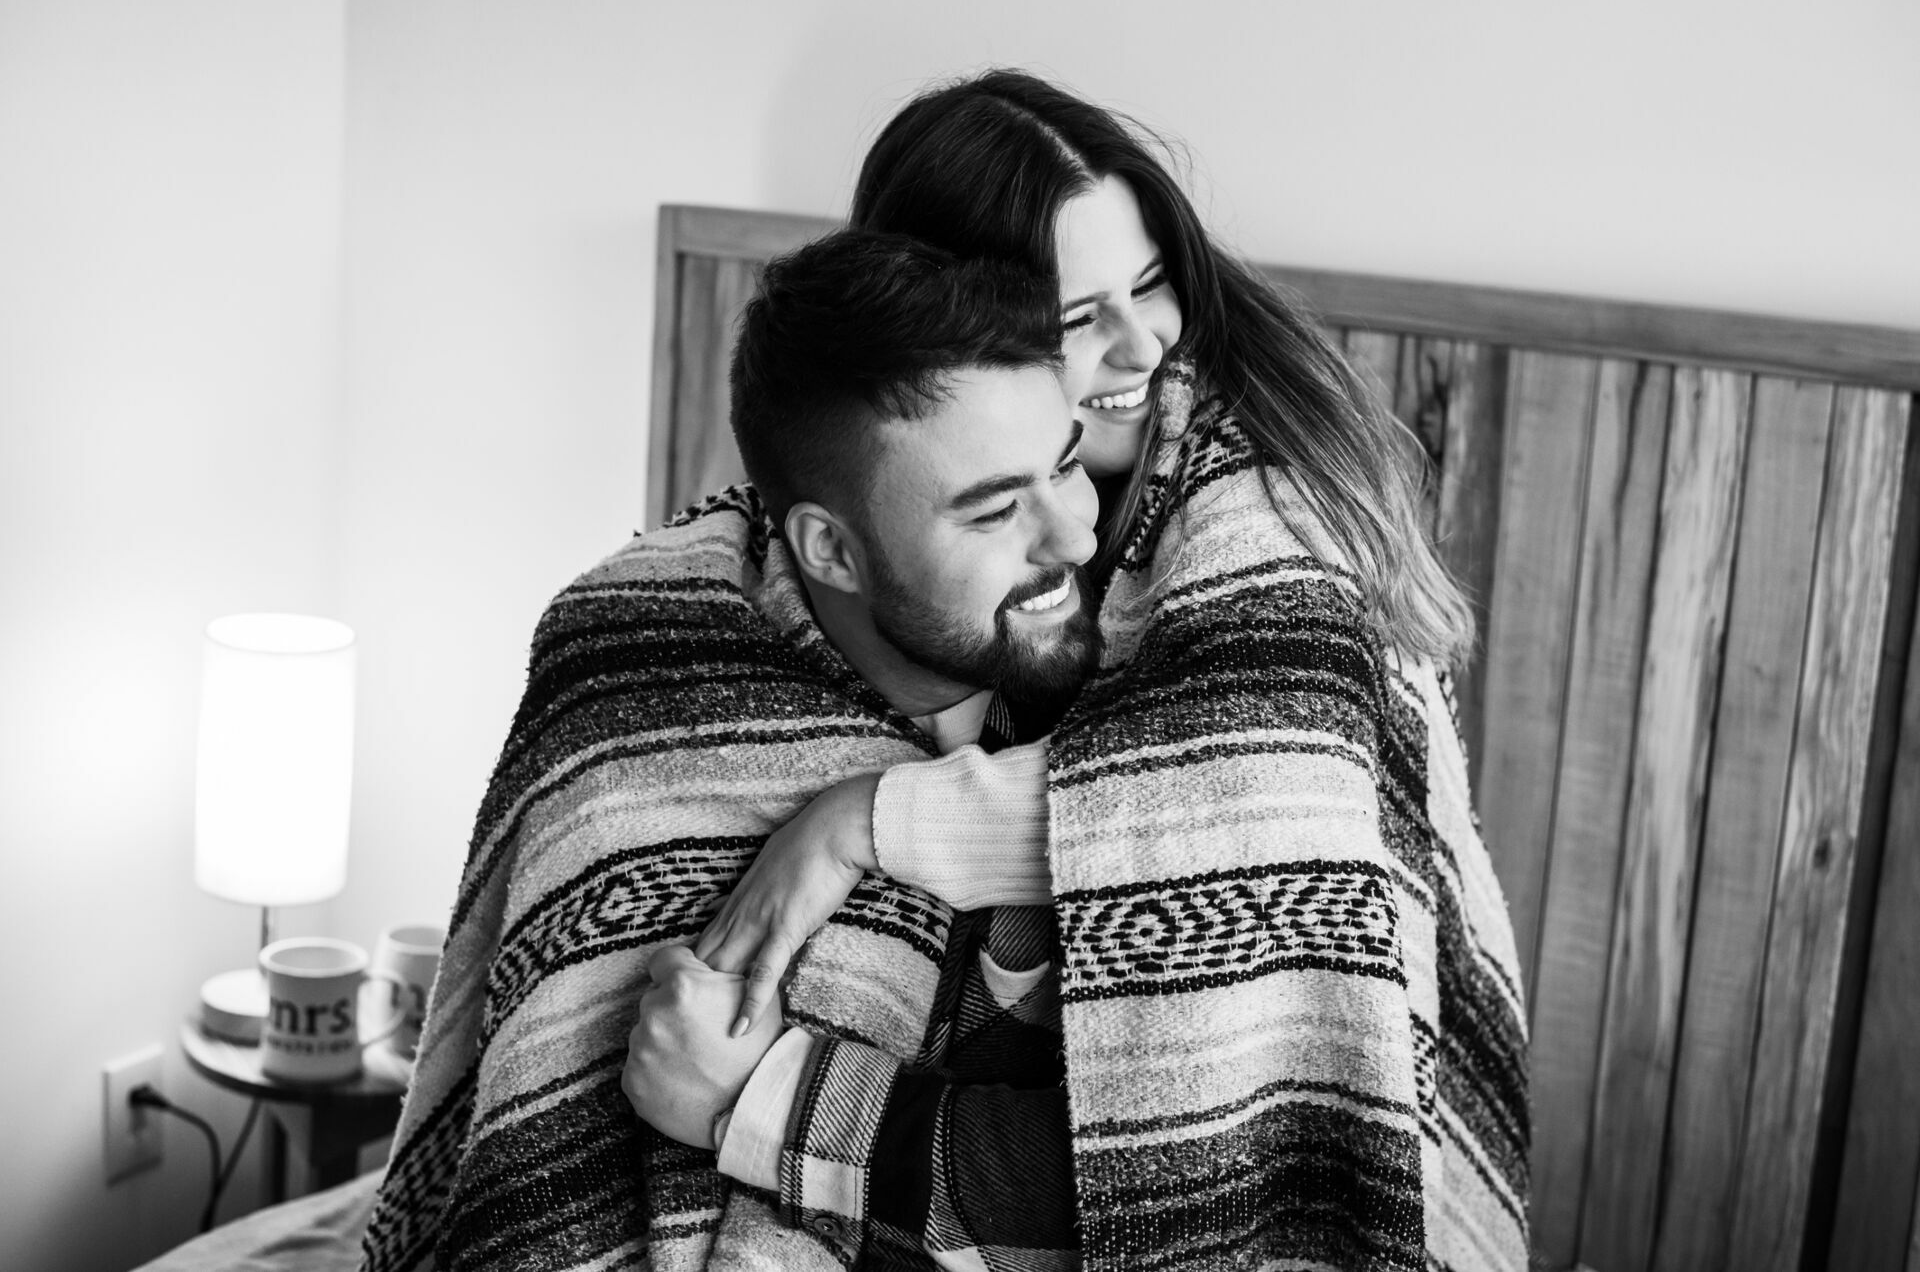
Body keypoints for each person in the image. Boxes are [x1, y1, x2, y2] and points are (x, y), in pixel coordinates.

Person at [633, 69, 1530, 1272]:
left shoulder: (1255, 506)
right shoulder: (800, 563)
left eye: (1154, 282)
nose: (1144, 343)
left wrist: (860, 828)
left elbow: (1213, 807)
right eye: (1077, 314)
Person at [360, 230, 1107, 1272]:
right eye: (994, 510)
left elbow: (1178, 1185)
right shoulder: (642, 675)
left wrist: (769, 1093)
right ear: (829, 549)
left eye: (1069, 464)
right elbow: (555, 1145)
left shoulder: (1155, 683)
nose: (1074, 537)